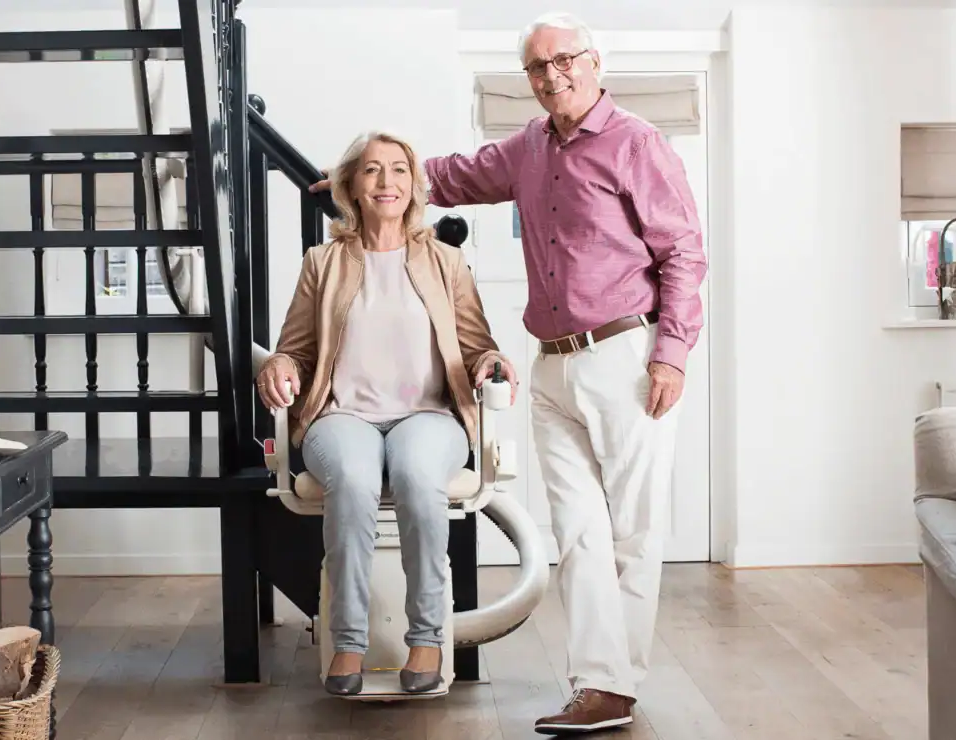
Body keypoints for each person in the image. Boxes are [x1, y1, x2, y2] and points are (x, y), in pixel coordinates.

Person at [311, 10, 707, 734]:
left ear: (595, 63)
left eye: (565, 60)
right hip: (551, 365)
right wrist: (360, 179)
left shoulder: (637, 144)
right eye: (537, 67)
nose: (552, 75)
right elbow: (454, 176)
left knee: (633, 532)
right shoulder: (529, 147)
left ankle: (616, 685)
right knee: (579, 532)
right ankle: (597, 684)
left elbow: (684, 252)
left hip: (627, 356)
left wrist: (672, 353)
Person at [257, 130, 517, 697]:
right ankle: (346, 642)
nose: (386, 182)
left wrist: (493, 360)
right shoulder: (322, 262)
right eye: (372, 170)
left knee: (418, 474)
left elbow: (477, 345)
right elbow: (294, 349)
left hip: (427, 415)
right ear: (351, 184)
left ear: (414, 184)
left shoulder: (446, 261)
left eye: (399, 169)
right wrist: (275, 366)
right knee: (350, 478)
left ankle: (427, 637)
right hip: (341, 416)